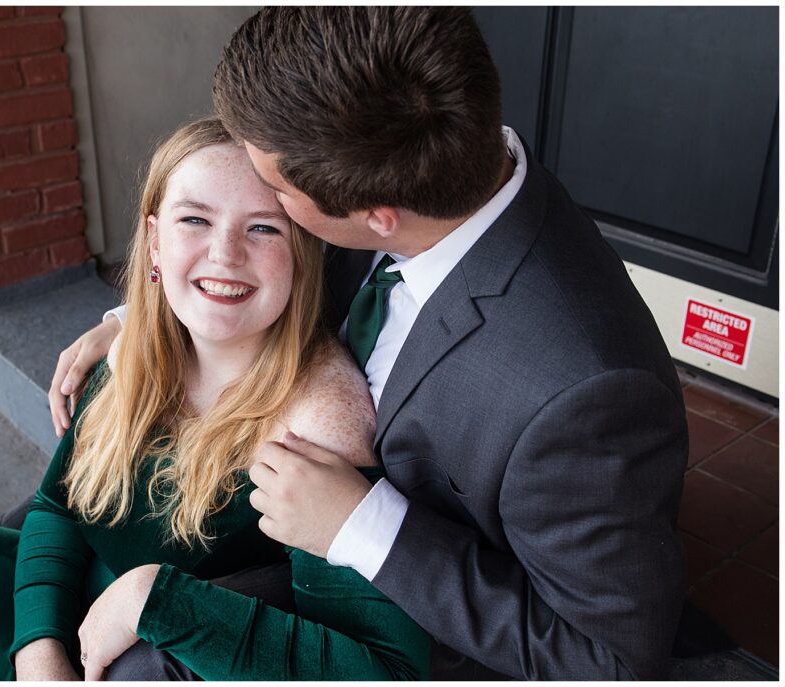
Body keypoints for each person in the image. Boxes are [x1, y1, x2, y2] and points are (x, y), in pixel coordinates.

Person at [48, 7, 689, 680]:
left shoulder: (583, 392)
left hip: (417, 610)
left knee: (149, 660)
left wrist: (365, 522)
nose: (259, 193)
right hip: (285, 512)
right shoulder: (430, 162)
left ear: (374, 217)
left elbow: (613, 659)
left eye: (275, 193)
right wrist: (140, 314)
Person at [0, 117, 431, 681]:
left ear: (303, 255)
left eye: (264, 229)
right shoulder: (137, 351)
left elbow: (375, 665)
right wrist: (37, 647)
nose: (225, 253)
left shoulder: (316, 419)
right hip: (55, 616)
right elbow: (58, 506)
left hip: (153, 651)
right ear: (154, 242)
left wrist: (152, 599)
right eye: (194, 219)